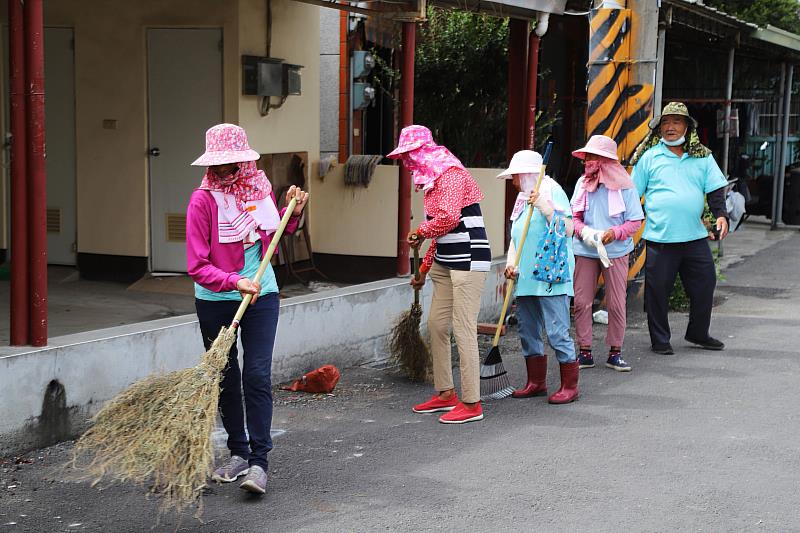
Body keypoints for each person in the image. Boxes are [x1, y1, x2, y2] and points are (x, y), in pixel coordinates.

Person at [186, 123, 308, 494]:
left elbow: (278, 232)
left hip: (261, 295)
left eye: (232, 164)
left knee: (256, 374)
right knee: (226, 376)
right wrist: (233, 281)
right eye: (219, 166)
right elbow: (197, 264)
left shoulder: (258, 189)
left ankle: (259, 463)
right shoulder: (202, 201)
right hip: (216, 299)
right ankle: (238, 453)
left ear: (243, 161)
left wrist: (294, 211)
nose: (226, 173)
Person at [387, 125, 490, 424]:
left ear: (422, 152)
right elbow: (437, 232)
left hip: (469, 259)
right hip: (446, 261)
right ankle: (446, 393)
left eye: (409, 155)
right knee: (436, 325)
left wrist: (420, 231)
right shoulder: (431, 182)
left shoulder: (451, 174)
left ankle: (472, 403)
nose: (407, 162)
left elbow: (447, 219)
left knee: (463, 327)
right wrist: (422, 268)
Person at [630, 102, 729, 355]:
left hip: (694, 237)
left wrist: (721, 215)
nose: (670, 127)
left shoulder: (702, 156)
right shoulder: (649, 157)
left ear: (687, 126)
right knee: (657, 291)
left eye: (676, 122)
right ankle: (660, 340)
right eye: (665, 122)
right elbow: (631, 195)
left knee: (706, 284)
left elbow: (716, 189)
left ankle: (698, 333)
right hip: (661, 238)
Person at [498, 150, 579, 404]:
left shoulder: (552, 190)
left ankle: (570, 386)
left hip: (551, 275)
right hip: (526, 277)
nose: (512, 182)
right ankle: (536, 382)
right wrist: (511, 263)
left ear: (527, 173)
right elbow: (516, 237)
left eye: (515, 176)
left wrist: (546, 208)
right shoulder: (522, 198)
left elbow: (568, 229)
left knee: (557, 332)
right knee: (527, 330)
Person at [570, 135, 644, 372]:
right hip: (585, 247)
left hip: (616, 250)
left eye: (592, 157)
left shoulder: (625, 185)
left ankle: (615, 352)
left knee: (616, 303)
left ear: (605, 160)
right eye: (587, 157)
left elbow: (635, 220)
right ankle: (585, 351)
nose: (587, 161)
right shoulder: (582, 184)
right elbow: (573, 218)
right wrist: (584, 232)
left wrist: (615, 232)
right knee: (581, 301)